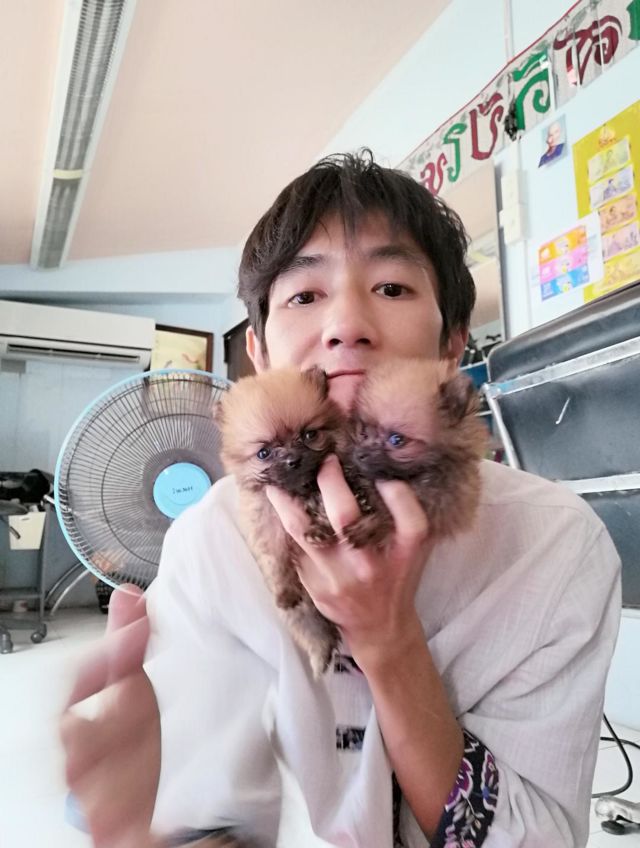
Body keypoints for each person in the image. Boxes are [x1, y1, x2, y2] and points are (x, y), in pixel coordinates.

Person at [61, 151, 621, 848]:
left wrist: (390, 643)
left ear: (452, 346)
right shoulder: (215, 537)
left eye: (391, 286)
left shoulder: (553, 545)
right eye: (304, 295)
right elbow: (203, 812)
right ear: (261, 354)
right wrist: (139, 824)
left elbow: (536, 837)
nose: (346, 323)